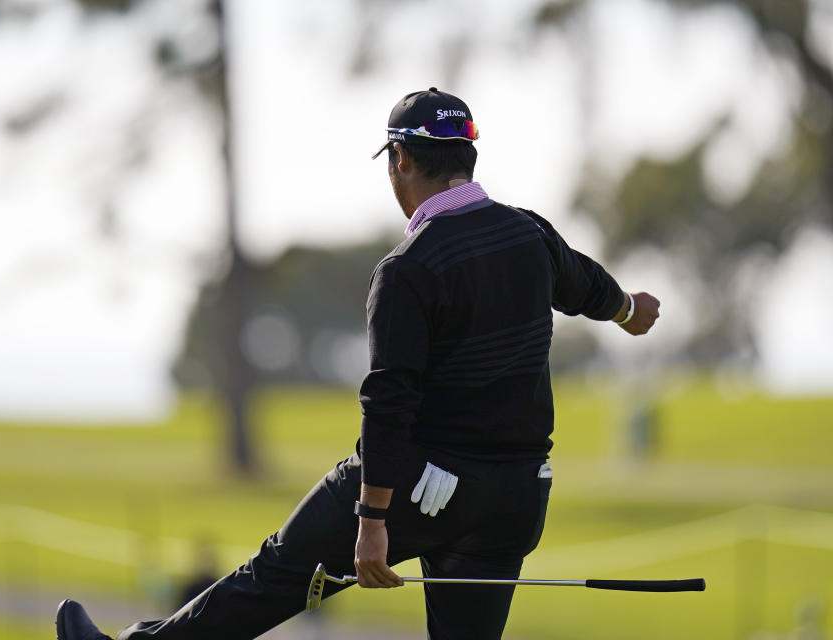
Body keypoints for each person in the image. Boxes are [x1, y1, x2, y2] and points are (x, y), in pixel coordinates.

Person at [56, 87, 660, 640]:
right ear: (465, 155)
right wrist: (631, 309)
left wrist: (371, 519)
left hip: (422, 488)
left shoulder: (409, 270)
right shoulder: (529, 235)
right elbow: (590, 288)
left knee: (274, 576)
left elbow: (389, 403)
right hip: (517, 497)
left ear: (401, 159)